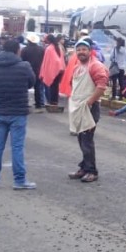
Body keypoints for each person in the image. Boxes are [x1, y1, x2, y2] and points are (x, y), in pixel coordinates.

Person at [0, 39, 36, 190]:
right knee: (17, 147)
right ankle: (19, 180)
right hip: (17, 112)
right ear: (17, 50)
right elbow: (31, 82)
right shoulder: (24, 66)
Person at [67, 38, 109, 183]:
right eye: (78, 50)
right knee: (81, 138)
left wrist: (90, 102)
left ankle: (92, 171)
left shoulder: (96, 65)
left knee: (87, 139)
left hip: (90, 108)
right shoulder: (77, 67)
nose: (81, 52)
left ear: (90, 51)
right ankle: (84, 167)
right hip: (78, 107)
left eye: (84, 49)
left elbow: (102, 86)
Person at [20, 33, 45, 111]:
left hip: (27, 71)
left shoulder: (24, 50)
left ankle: (25, 104)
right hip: (38, 71)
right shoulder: (41, 49)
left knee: (25, 88)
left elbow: (22, 60)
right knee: (38, 88)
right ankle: (38, 104)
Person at [40, 33, 65, 107]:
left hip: (53, 70)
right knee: (56, 86)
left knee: (51, 86)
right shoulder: (58, 47)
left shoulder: (49, 48)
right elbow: (59, 59)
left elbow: (47, 61)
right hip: (59, 70)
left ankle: (51, 101)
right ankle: (55, 101)